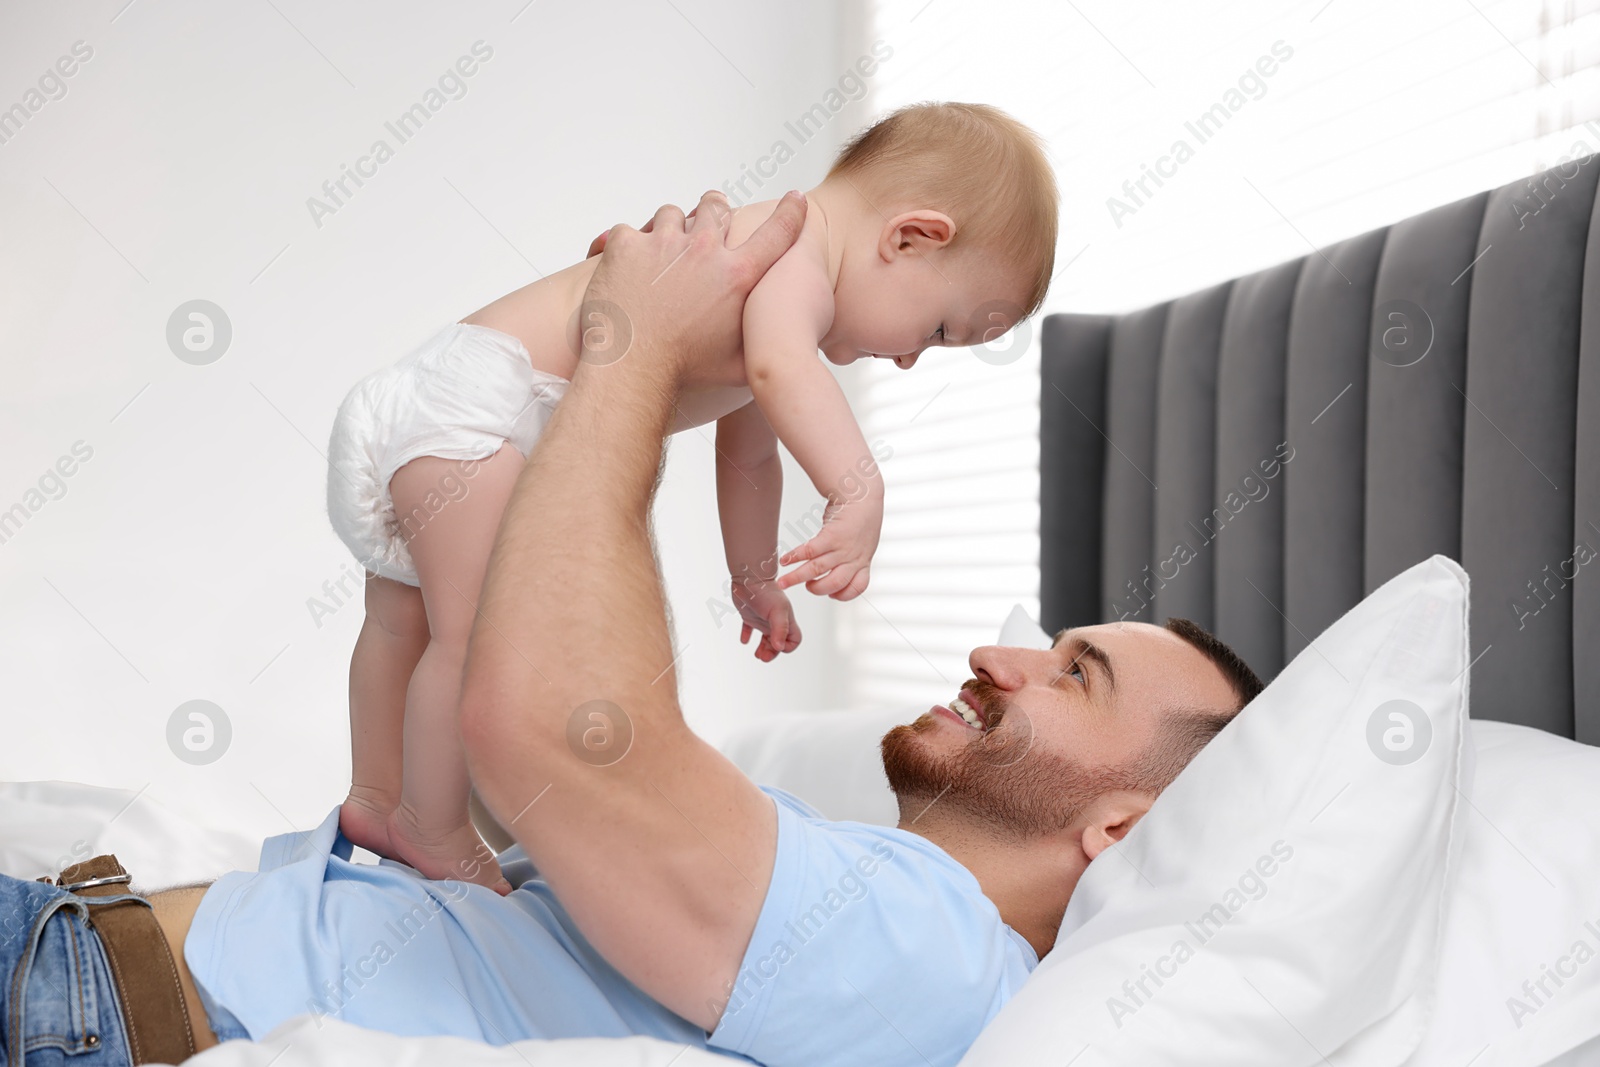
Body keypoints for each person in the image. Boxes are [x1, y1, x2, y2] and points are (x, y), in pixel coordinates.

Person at [0, 190, 1262, 1067]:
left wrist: (630, 347)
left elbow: (550, 723)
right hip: (68, 962)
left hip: (77, 1004)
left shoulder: (930, 950)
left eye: (1072, 672)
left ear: (1123, 823)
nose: (998, 654)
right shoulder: (854, 887)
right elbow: (545, 782)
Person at [323, 102, 1060, 893]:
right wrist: (858, 486)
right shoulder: (794, 254)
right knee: (471, 641)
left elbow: (747, 449)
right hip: (485, 414)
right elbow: (783, 370)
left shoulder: (749, 273)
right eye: (942, 331)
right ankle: (430, 827)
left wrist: (753, 575)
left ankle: (375, 794)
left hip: (441, 396)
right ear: (910, 237)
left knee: (403, 619)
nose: (913, 359)